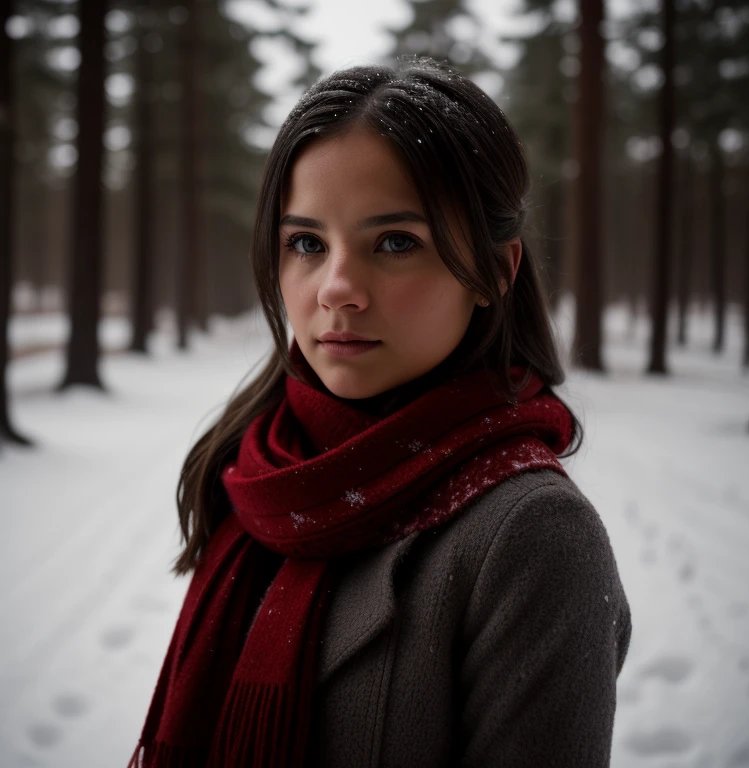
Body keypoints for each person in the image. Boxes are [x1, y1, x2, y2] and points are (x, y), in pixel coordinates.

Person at [128, 56, 632, 768]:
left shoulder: (535, 539)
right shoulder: (255, 465)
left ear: (496, 270)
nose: (337, 289)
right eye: (306, 242)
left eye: (395, 242)